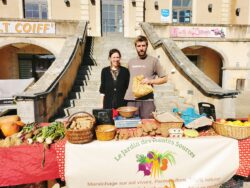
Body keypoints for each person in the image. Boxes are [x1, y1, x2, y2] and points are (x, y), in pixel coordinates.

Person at [124, 35, 167, 118]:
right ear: (135, 47)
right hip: (131, 100)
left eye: (143, 45)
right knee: (132, 126)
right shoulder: (130, 62)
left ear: (147, 46)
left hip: (147, 100)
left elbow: (164, 79)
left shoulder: (154, 61)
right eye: (139, 46)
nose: (141, 48)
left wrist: (151, 81)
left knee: (149, 125)